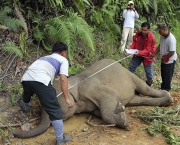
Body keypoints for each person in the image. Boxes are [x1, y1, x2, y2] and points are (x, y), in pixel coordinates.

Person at [20, 42, 74, 145]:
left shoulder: (44, 58)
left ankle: (25, 107)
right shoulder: (63, 60)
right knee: (55, 110)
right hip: (41, 81)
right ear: (63, 53)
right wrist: (67, 98)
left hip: (26, 79)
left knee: (28, 93)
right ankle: (60, 139)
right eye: (65, 53)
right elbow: (63, 80)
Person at [129, 22, 156, 86]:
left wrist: (139, 52)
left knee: (148, 70)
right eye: (142, 29)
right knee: (132, 65)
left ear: (149, 30)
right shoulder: (138, 33)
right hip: (138, 53)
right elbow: (134, 42)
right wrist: (130, 49)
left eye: (145, 30)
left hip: (147, 56)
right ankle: (129, 78)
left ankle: (149, 83)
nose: (143, 31)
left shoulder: (151, 38)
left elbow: (148, 50)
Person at [152, 23, 177, 91]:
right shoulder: (162, 36)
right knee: (163, 74)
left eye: (160, 31)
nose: (159, 32)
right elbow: (160, 45)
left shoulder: (171, 39)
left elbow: (172, 52)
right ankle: (163, 88)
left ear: (164, 30)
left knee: (167, 76)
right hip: (164, 60)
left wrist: (165, 58)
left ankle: (166, 90)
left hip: (170, 60)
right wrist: (155, 53)